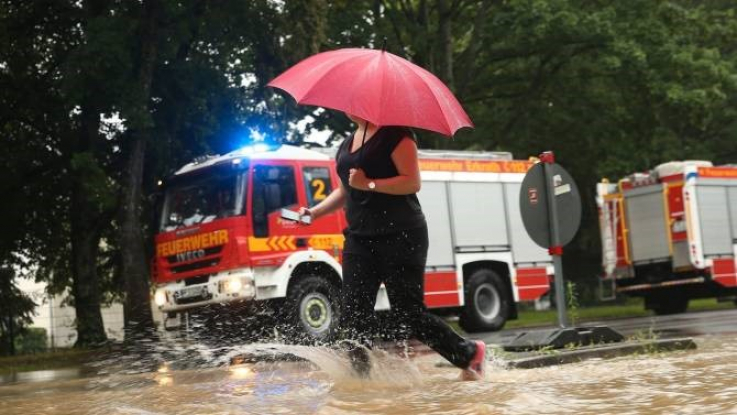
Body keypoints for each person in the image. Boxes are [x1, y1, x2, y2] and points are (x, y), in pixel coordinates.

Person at [299, 113, 486, 380]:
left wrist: (369, 184)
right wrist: (314, 213)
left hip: (401, 236)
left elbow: (412, 182)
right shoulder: (346, 144)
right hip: (359, 239)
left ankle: (469, 353)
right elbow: (345, 190)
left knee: (408, 314)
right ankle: (361, 380)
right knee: (353, 315)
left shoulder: (398, 135)